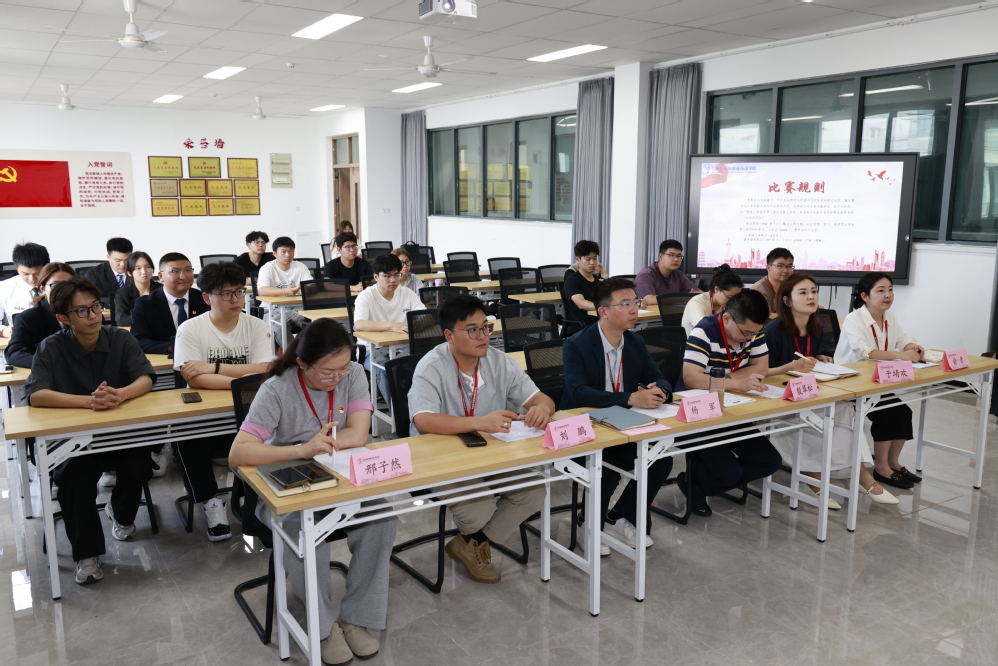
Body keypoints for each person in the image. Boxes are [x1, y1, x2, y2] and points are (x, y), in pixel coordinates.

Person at [229, 318, 394, 665]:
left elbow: (358, 434)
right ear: (302, 363)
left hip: (338, 479)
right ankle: (323, 626)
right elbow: (239, 453)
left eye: (343, 368)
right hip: (284, 483)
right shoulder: (276, 388)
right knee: (306, 532)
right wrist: (302, 449)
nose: (338, 378)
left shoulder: (353, 374)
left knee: (382, 517)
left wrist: (320, 447)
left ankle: (355, 617)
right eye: (328, 372)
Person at [408, 295, 554, 584]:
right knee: (478, 509)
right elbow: (423, 421)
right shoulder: (431, 367)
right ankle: (475, 541)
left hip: (490, 453)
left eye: (486, 327)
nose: (483, 336)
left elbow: (541, 398)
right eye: (472, 330)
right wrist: (479, 422)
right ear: (449, 335)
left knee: (533, 491)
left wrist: (542, 409)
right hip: (441, 458)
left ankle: (471, 544)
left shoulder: (500, 361)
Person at [25, 276, 155, 585]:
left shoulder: (120, 338)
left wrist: (121, 394)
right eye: (81, 311)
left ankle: (120, 514)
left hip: (119, 433)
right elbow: (36, 395)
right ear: (63, 318)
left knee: (139, 462)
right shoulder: (51, 347)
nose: (93, 315)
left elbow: (146, 378)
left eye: (95, 307)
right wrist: (87, 401)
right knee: (74, 479)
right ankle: (87, 555)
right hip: (74, 441)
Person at [562, 278, 674, 556]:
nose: (634, 309)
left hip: (623, 423)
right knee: (608, 465)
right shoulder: (576, 344)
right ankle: (589, 524)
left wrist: (660, 391)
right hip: (585, 424)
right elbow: (578, 393)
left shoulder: (634, 341)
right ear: (603, 311)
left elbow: (658, 376)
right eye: (625, 304)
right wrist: (630, 398)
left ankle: (618, 517)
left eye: (635, 302)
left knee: (660, 460)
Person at [764, 274, 895, 506]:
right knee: (824, 416)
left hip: (807, 392)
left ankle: (855, 473)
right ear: (787, 300)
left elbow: (807, 357)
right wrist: (791, 367)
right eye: (803, 293)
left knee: (846, 411)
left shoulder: (815, 327)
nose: (811, 297)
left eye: (814, 291)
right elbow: (761, 372)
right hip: (778, 399)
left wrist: (819, 358)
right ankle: (822, 477)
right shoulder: (773, 330)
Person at [173, 261, 274, 542]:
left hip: (250, 411)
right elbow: (194, 379)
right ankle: (211, 502)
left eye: (239, 291)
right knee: (186, 440)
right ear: (207, 298)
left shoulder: (256, 325)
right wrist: (242, 380)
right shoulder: (190, 329)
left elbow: (265, 370)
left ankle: (263, 499)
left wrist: (213, 368)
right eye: (226, 294)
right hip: (205, 415)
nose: (236, 299)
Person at [678, 290, 782, 517]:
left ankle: (696, 482)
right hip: (696, 413)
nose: (750, 338)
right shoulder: (704, 331)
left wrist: (721, 379)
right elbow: (691, 378)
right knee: (729, 473)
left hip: (733, 409)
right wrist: (737, 382)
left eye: (755, 333)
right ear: (727, 318)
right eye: (745, 333)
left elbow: (761, 368)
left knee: (770, 461)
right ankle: (701, 481)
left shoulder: (753, 330)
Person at [835, 272, 925, 491]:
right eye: (881, 290)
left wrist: (912, 348)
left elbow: (903, 340)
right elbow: (865, 352)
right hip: (851, 383)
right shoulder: (854, 319)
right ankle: (882, 468)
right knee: (889, 413)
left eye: (890, 290)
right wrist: (901, 355)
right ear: (865, 296)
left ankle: (894, 463)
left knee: (903, 412)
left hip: (876, 381)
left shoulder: (889, 317)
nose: (888, 295)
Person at [353, 254, 425, 407]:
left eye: (396, 275)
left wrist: (417, 324)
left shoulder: (406, 293)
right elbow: (359, 324)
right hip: (372, 351)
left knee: (427, 363)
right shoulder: (366, 296)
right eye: (387, 276)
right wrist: (391, 325)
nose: (393, 280)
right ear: (376, 277)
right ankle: (398, 414)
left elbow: (427, 316)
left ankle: (420, 409)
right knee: (387, 368)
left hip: (403, 347)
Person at [130, 253, 208, 355]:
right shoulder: (145, 304)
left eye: (188, 270)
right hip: (166, 360)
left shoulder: (205, 299)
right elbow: (138, 340)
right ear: (161, 276)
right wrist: (172, 347)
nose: (183, 276)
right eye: (175, 271)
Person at [6, 263, 75, 369]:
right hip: (50, 375)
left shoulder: (88, 312)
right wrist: (50, 363)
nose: (63, 290)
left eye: (68, 285)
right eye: (55, 285)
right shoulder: (28, 318)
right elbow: (14, 354)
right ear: (42, 288)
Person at [257, 236, 313, 339]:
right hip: (274, 310)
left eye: (291, 251)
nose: (288, 254)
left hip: (297, 309)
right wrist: (285, 291)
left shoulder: (300, 266)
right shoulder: (267, 268)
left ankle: (301, 347)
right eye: (283, 251)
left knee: (315, 325)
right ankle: (291, 349)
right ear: (274, 254)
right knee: (278, 327)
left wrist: (307, 289)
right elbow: (262, 290)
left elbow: (311, 285)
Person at [0, 242, 50, 337]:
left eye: (37, 273)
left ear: (47, 267)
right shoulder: (3, 288)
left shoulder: (58, 285)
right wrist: (4, 331)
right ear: (17, 269)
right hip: (22, 339)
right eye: (26, 274)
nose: (32, 279)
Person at [681, 264, 743, 336]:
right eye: (729, 297)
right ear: (716, 289)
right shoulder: (696, 302)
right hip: (697, 341)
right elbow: (704, 327)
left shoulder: (725, 304)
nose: (732, 302)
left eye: (736, 298)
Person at [634, 240, 699, 302]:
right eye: (671, 255)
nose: (676, 259)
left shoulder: (679, 275)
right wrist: (683, 298)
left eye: (678, 256)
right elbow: (649, 299)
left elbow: (699, 293)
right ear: (660, 256)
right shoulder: (646, 275)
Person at [114, 251, 161, 327]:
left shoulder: (162, 290)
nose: (144, 272)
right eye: (138, 268)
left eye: (148, 267)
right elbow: (121, 319)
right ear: (129, 272)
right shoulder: (122, 293)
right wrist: (148, 318)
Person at [562, 239, 604, 326]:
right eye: (588, 259)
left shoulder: (598, 280)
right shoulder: (572, 281)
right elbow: (581, 303)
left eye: (595, 258)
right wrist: (605, 307)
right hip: (583, 324)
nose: (592, 263)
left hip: (600, 320)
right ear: (577, 259)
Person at [84, 237, 132, 308]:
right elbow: (88, 297)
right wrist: (115, 301)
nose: (122, 264)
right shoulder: (94, 274)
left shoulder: (138, 271)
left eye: (126, 260)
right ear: (108, 257)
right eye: (118, 260)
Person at [751, 247, 794, 317]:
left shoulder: (793, 287)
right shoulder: (758, 289)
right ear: (768, 268)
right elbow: (764, 317)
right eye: (780, 266)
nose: (786, 270)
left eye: (789, 266)